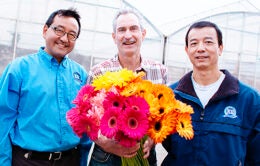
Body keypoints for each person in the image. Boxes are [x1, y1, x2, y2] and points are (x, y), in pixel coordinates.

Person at [0, 8, 91, 166]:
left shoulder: (80, 74)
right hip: (28, 161)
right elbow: (3, 121)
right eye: (59, 30)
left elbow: (85, 122)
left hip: (70, 160)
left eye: (72, 35)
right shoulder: (19, 69)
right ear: (45, 30)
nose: (64, 39)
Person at [162, 21, 260, 165]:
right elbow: (167, 142)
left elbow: (256, 155)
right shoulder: (171, 96)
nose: (200, 48)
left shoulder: (249, 100)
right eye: (194, 43)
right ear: (187, 50)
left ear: (220, 48)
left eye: (208, 42)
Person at [86, 8, 168, 166]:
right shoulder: (99, 72)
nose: (128, 35)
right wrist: (104, 143)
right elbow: (87, 118)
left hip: (144, 154)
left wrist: (153, 138)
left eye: (133, 28)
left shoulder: (159, 71)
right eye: (121, 30)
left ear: (143, 34)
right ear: (114, 37)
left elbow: (163, 114)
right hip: (106, 156)